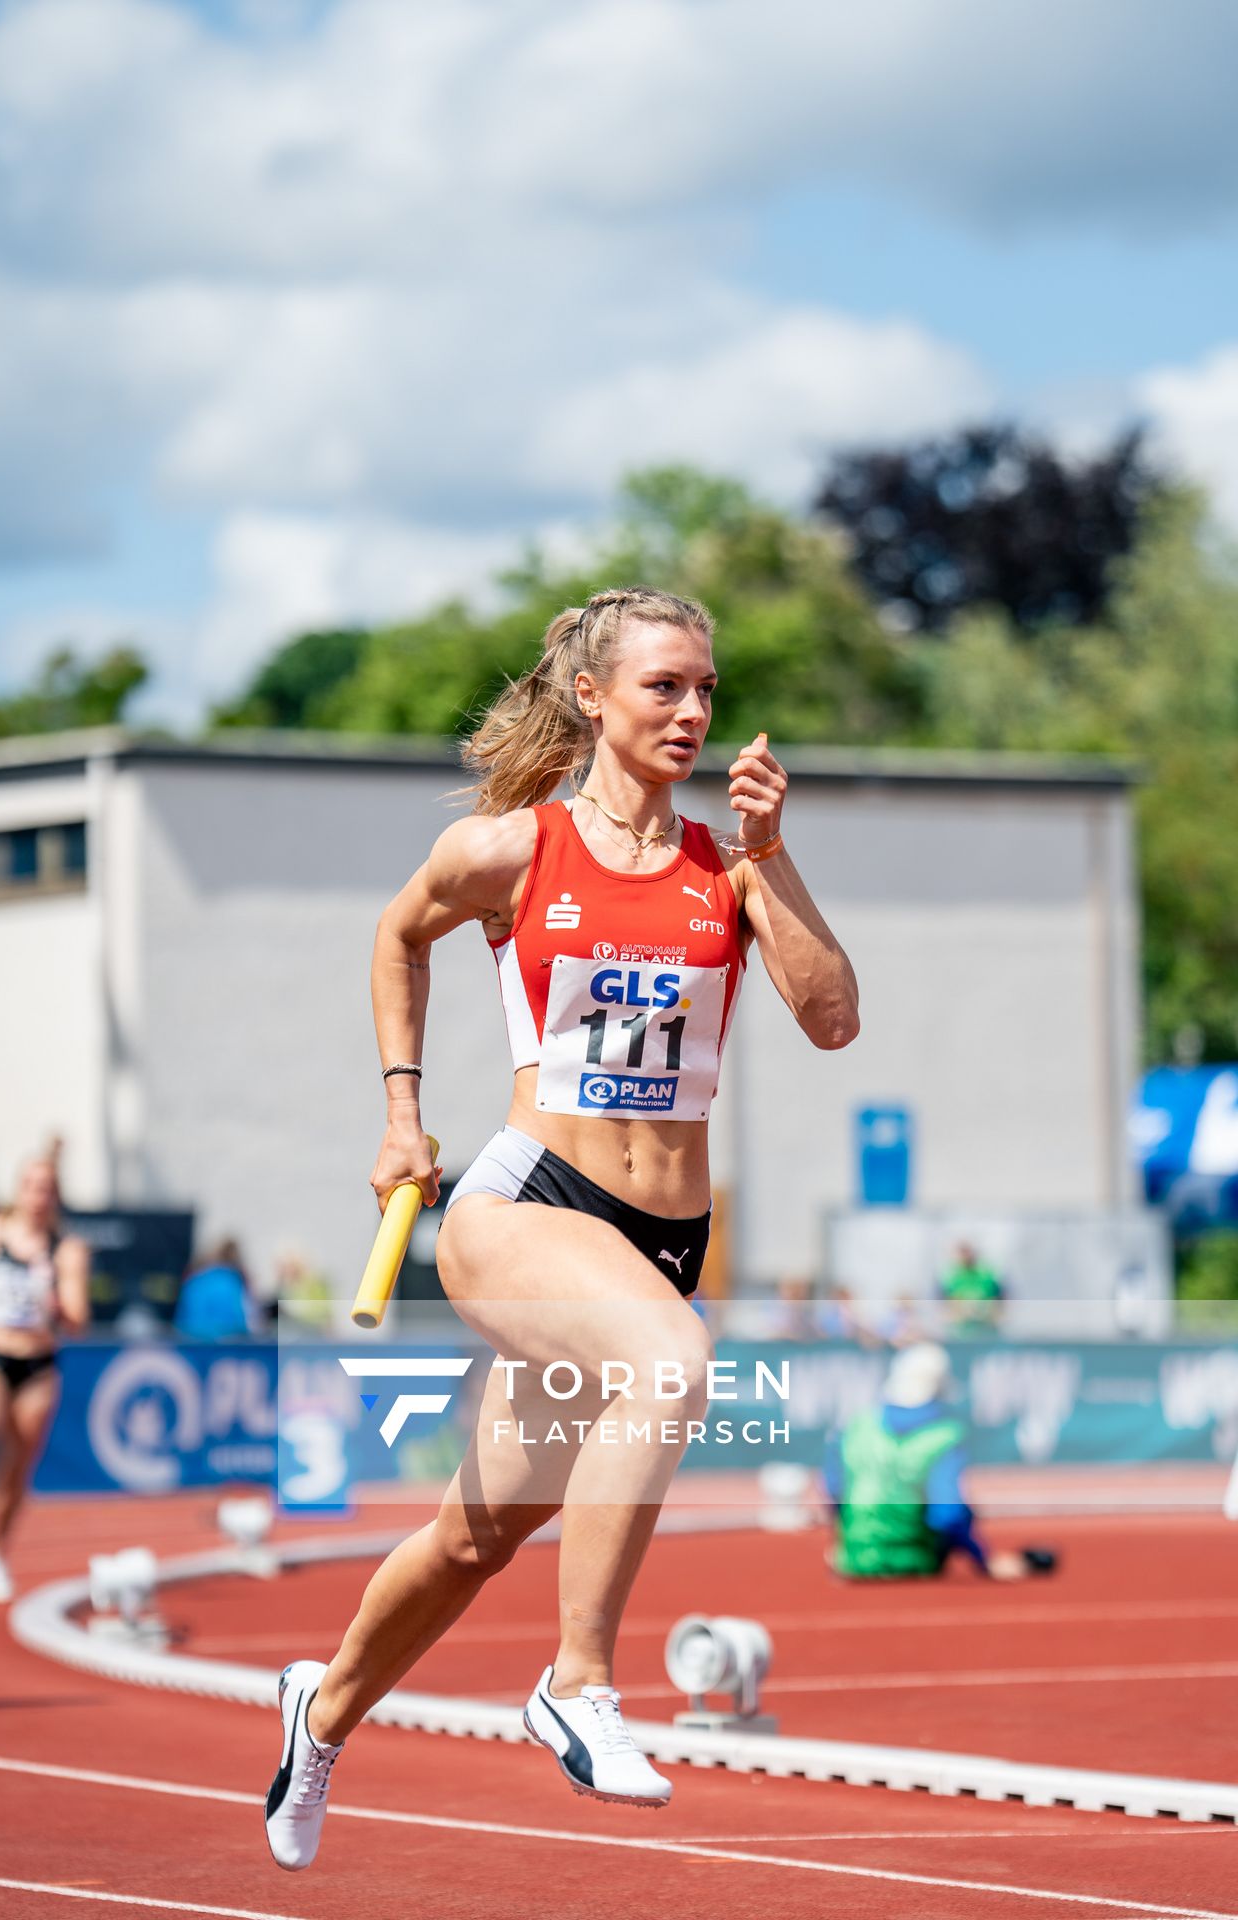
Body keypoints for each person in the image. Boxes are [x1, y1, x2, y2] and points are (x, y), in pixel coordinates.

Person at [265, 584, 860, 1871]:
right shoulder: (515, 852)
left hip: (660, 1242)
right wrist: (401, 1112)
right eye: (664, 687)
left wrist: (772, 850)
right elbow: (397, 934)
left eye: (706, 689)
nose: (693, 712)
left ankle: (318, 1712)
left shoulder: (726, 867)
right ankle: (577, 1683)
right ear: (592, 697)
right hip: (522, 1206)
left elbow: (830, 1019)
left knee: (475, 1537)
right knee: (671, 1367)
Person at [0, 1152, 90, 1602]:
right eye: (32, 1186)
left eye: (47, 1188)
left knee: (17, 1468)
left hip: (36, 1364)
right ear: (19, 1189)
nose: (38, 1197)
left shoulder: (66, 1249)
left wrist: (56, 1297)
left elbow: (77, 1320)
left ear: (55, 1196)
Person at [823, 1342, 1056, 1581]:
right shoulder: (945, 1436)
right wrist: (984, 1560)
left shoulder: (856, 1426)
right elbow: (948, 1515)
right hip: (913, 1560)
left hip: (852, 1559)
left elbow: (834, 1491)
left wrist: (849, 1543)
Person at [173, 1236, 260, 1340]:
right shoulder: (233, 1280)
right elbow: (247, 1320)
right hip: (226, 1342)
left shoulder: (194, 1280)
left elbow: (181, 1319)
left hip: (192, 1342)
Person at [937, 1240, 1006, 1336]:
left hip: (986, 1322)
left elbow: (998, 1296)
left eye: (967, 1252)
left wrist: (996, 1313)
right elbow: (947, 1299)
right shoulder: (951, 1275)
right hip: (961, 1325)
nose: (965, 1257)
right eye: (962, 1253)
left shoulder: (986, 1273)